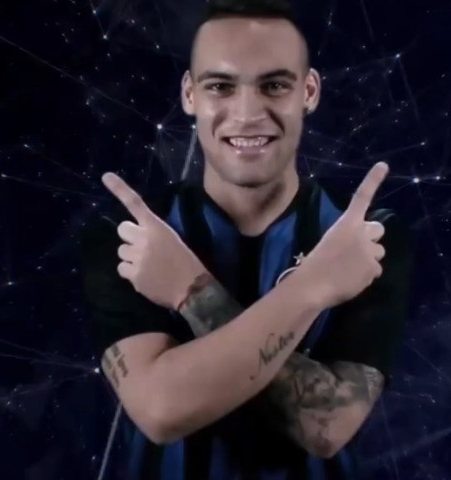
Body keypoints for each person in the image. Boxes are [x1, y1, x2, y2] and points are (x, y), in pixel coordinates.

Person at [77, 0, 414, 478]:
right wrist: (314, 287)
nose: (248, 113)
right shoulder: (130, 234)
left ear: (309, 92)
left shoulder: (366, 233)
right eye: (221, 86)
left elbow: (327, 425)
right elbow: (161, 410)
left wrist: (189, 292)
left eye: (274, 85)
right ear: (190, 95)